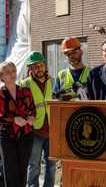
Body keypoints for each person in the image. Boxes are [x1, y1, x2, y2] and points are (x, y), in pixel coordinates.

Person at [20, 51, 56, 187]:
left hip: (52, 130)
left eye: (40, 65)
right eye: (34, 66)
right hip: (34, 131)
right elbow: (20, 107)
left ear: (45, 66)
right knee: (33, 165)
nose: (38, 69)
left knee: (51, 166)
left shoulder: (53, 82)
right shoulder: (24, 85)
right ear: (30, 69)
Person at [0, 61, 36, 187]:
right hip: (7, 137)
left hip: (26, 135)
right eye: (8, 71)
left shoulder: (25, 91)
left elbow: (32, 109)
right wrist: (13, 119)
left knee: (22, 172)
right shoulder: (0, 93)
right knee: (11, 172)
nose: (12, 74)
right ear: (2, 76)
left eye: (13, 70)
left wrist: (31, 118)